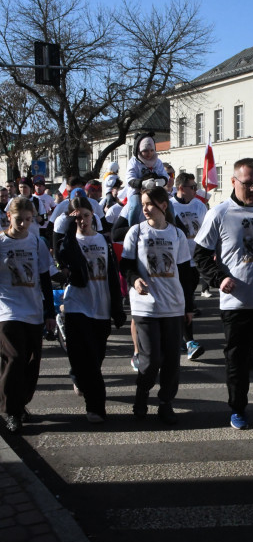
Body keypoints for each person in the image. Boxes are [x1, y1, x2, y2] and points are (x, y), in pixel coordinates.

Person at [194, 158, 253, 450]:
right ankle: (237, 407)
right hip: (235, 304)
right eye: (248, 183)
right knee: (237, 363)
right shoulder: (219, 213)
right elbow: (199, 255)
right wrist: (218, 278)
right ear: (233, 181)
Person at [120, 184, 193, 424]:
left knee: (172, 360)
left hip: (173, 306)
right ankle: (142, 395)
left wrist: (188, 306)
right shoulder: (136, 232)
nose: (146, 209)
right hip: (146, 306)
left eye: (149, 204)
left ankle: (165, 402)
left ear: (163, 205)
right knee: (151, 359)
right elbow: (126, 265)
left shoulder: (177, 234)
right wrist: (135, 280)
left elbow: (185, 273)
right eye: (143, 205)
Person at [56, 197, 126, 423]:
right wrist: (69, 227)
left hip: (101, 306)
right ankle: (95, 407)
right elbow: (64, 256)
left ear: (92, 216)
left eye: (85, 215)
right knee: (84, 357)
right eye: (77, 216)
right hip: (77, 305)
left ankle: (79, 377)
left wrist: (117, 307)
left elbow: (112, 276)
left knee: (96, 357)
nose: (82, 220)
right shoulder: (69, 241)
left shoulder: (102, 240)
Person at [0, 196, 56, 434]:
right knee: (15, 358)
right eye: (18, 220)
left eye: (28, 220)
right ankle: (10, 411)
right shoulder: (2, 243)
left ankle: (20, 404)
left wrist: (49, 313)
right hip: (8, 309)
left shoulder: (36, 243)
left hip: (33, 309)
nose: (22, 224)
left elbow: (44, 277)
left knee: (31, 363)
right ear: (9, 218)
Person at [169, 172, 206, 361]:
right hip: (175, 262)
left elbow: (207, 231)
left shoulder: (200, 206)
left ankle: (183, 338)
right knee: (182, 301)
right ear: (181, 188)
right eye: (193, 187)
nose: (196, 190)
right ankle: (189, 341)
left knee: (187, 300)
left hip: (194, 261)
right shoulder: (169, 205)